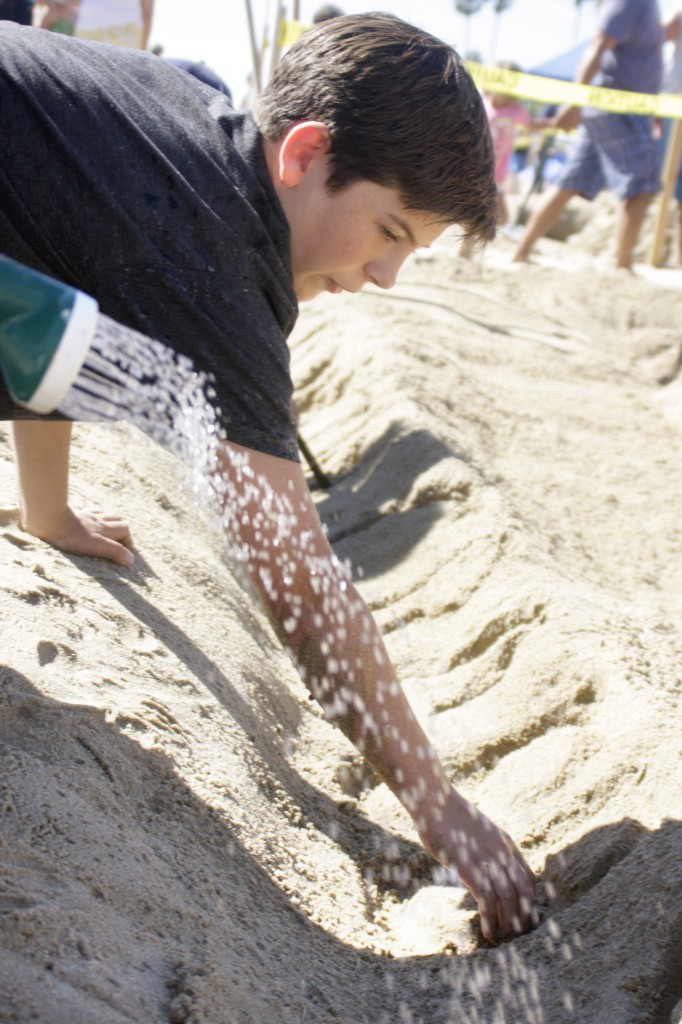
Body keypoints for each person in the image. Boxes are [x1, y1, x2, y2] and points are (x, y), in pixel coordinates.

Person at [0, 14, 536, 940]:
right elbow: (296, 575)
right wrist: (436, 803)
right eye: (389, 230)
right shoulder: (218, 250)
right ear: (305, 153)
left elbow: (50, 255)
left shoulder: (191, 116)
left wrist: (49, 514)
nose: (386, 275)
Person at [512, 0, 663, 270]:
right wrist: (575, 100)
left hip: (615, 105)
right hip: (617, 107)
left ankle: (522, 251)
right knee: (640, 187)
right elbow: (598, 44)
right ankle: (622, 265)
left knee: (569, 182)